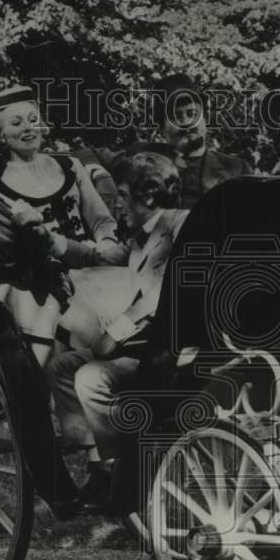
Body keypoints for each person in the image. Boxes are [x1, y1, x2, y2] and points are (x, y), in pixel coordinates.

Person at [49, 150, 189, 503]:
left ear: (149, 195)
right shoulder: (145, 234)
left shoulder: (181, 225)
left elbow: (171, 284)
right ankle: (99, 462)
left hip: (177, 351)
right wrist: (52, 242)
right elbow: (103, 255)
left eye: (123, 195)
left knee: (91, 377)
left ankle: (123, 471)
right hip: (152, 346)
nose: (116, 205)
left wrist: (116, 332)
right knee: (63, 367)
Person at [0, 85, 128, 364]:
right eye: (16, 123)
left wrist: (107, 244)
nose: (28, 128)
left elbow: (102, 220)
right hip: (43, 282)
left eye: (33, 119)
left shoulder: (70, 166)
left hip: (94, 267)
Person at [151, 73, 251, 207]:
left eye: (192, 114)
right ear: (162, 130)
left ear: (205, 119)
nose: (187, 122)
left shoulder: (236, 170)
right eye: (176, 117)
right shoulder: (145, 169)